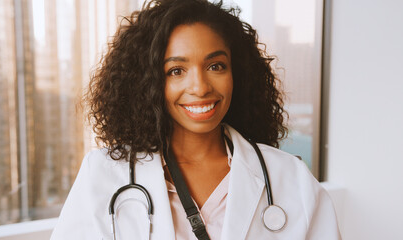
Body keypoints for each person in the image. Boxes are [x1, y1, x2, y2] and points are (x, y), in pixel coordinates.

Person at [51, 0, 341, 239]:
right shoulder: (103, 174)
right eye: (176, 70)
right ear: (149, 82)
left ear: (236, 73)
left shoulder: (290, 179)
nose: (201, 87)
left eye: (215, 66)